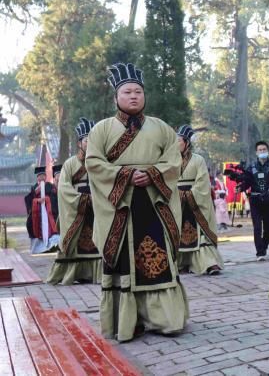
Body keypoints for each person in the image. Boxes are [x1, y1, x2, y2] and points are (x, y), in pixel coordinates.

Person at [86, 62, 188, 342]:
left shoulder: (161, 128)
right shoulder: (102, 129)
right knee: (123, 261)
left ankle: (163, 319)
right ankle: (126, 321)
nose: (134, 96)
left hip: (154, 202)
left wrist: (153, 173)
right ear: (116, 97)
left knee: (157, 258)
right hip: (120, 206)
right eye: (128, 92)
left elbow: (174, 160)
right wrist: (126, 175)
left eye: (139, 92)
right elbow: (93, 163)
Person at [46, 118, 102, 285]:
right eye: (86, 140)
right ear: (79, 143)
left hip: (97, 206)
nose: (89, 143)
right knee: (75, 241)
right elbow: (63, 188)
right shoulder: (70, 164)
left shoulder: (100, 161)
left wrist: (99, 198)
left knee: (97, 239)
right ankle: (73, 273)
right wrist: (82, 200)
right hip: (78, 206)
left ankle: (96, 273)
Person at [176, 125, 223, 275]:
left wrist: (189, 194)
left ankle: (209, 263)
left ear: (187, 142)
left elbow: (203, 182)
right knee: (178, 232)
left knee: (201, 233)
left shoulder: (198, 160)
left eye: (178, 141)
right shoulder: (170, 161)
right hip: (177, 201)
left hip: (196, 201)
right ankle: (182, 263)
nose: (175, 144)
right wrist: (175, 194)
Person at [244, 141, 269, 260]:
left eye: (264, 149)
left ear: (268, 151)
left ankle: (264, 247)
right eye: (260, 150)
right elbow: (246, 182)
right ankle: (260, 252)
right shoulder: (251, 167)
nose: (262, 151)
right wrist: (240, 187)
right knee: (257, 227)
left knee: (268, 227)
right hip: (255, 200)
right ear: (256, 152)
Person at [25, 166, 60, 254]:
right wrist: (37, 201)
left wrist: (47, 200)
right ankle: (39, 248)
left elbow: (54, 197)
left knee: (53, 227)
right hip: (38, 213)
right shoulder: (34, 188)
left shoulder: (50, 186)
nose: (42, 177)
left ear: (46, 176)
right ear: (37, 177)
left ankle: (52, 246)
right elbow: (29, 199)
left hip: (50, 213)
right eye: (40, 175)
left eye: (43, 175)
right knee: (30, 224)